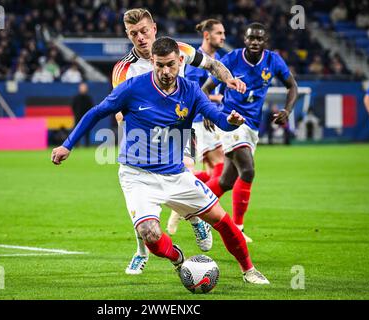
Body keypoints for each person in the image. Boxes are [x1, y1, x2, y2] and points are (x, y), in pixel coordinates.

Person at [51, 37, 269, 285]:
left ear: (179, 61)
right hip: (138, 176)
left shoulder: (191, 91)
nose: (166, 71)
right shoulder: (132, 87)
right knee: (149, 234)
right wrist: (67, 144)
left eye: (171, 65)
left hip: (177, 175)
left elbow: (216, 117)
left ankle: (249, 270)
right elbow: (96, 112)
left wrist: (230, 121)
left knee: (223, 221)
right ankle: (178, 258)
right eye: (160, 65)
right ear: (152, 62)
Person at [111, 8, 246, 275]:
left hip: (179, 132)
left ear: (154, 29)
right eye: (133, 33)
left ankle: (194, 218)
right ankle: (142, 251)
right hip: (142, 140)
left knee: (179, 175)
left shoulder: (178, 50)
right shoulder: (124, 69)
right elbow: (117, 111)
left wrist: (228, 79)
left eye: (144, 31)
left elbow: (212, 65)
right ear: (128, 35)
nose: (140, 37)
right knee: (142, 198)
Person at [201, 22, 298, 242]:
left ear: (265, 42)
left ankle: (194, 209)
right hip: (231, 121)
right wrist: (207, 112)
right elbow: (205, 89)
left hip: (252, 126)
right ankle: (238, 228)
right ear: (245, 40)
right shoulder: (232, 60)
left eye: (259, 39)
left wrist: (287, 110)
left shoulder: (273, 61)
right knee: (248, 170)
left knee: (226, 181)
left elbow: (292, 85)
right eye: (251, 38)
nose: (254, 42)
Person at [167, 19, 226, 235]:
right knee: (217, 167)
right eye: (219, 33)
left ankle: (195, 215)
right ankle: (191, 214)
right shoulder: (192, 59)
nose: (223, 37)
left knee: (212, 171)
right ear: (207, 35)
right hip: (194, 123)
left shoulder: (216, 60)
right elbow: (192, 92)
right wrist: (211, 101)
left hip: (206, 121)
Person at [72, 82, 94, 146]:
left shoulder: (89, 98)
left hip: (86, 117)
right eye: (82, 88)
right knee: (76, 131)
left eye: (84, 88)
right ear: (79, 89)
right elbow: (73, 106)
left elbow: (91, 108)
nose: (83, 89)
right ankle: (76, 144)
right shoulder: (76, 98)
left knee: (87, 131)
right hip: (78, 117)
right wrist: (76, 114)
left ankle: (87, 144)